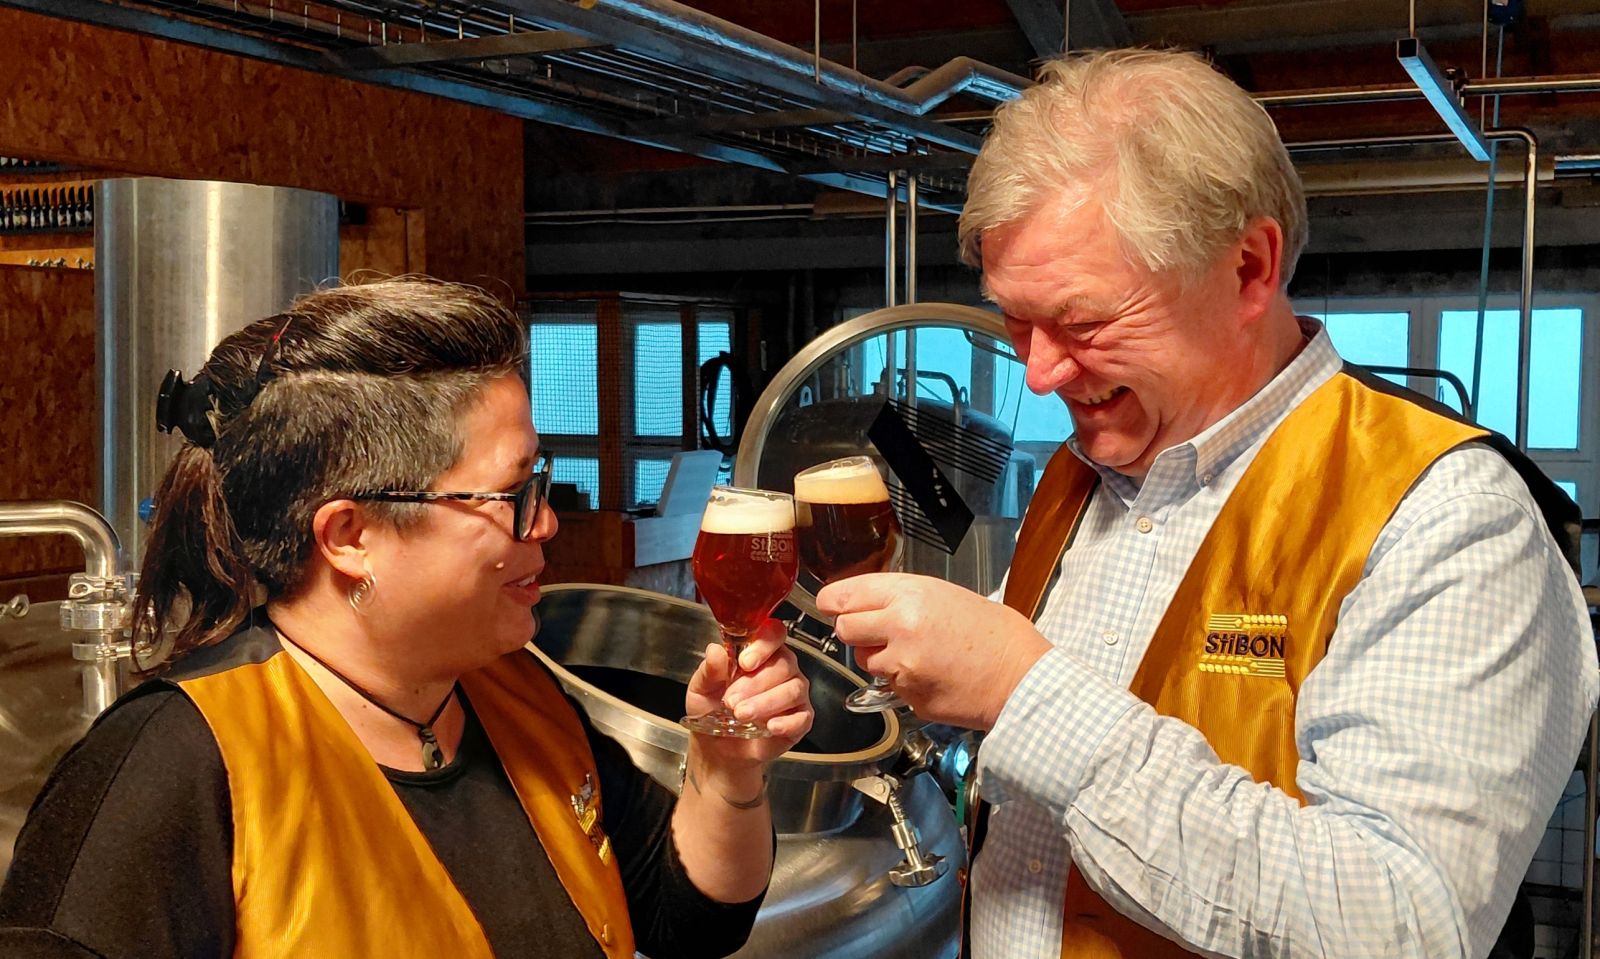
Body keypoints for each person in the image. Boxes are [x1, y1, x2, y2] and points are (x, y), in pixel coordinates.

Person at [818, 49, 1597, 959]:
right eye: (1015, 322)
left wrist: (1024, 693)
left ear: (1249, 268)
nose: (1037, 373)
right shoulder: (1085, 476)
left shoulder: (1447, 518)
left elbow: (1402, 923)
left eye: (1083, 322)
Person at [0, 279, 813, 959]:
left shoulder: (515, 696)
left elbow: (689, 921)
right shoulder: (173, 765)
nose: (547, 524)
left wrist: (724, 771)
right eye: (513, 493)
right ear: (350, 536)